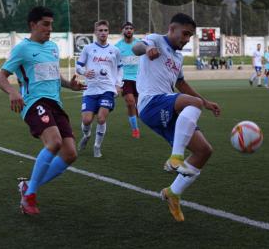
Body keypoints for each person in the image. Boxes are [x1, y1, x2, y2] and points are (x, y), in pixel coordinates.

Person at [0, 6, 86, 215]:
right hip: (34, 103)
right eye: (45, 24)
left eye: (51, 25)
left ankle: (28, 186)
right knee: (54, 142)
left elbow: (54, 76)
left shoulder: (53, 48)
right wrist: (11, 92)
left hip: (55, 104)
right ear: (33, 25)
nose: (50, 29)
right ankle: (29, 196)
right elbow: (0, 78)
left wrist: (69, 85)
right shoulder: (22, 49)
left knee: (70, 154)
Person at [133, 13, 221, 222]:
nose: (187, 39)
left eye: (190, 36)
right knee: (193, 103)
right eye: (185, 34)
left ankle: (172, 193)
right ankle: (176, 158)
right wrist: (147, 49)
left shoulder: (178, 58)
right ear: (172, 29)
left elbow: (181, 85)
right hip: (151, 102)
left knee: (203, 151)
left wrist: (205, 102)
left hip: (168, 107)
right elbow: (136, 47)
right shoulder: (155, 39)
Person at [76, 20, 123, 157]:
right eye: (100, 30)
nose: (103, 33)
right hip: (90, 89)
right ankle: (87, 135)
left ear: (108, 32)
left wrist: (119, 84)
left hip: (107, 89)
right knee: (87, 120)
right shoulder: (88, 48)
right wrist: (84, 72)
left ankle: (97, 146)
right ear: (95, 32)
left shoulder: (115, 50)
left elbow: (120, 69)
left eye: (105, 30)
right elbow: (78, 66)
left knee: (101, 118)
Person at [115, 22, 141, 139]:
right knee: (130, 103)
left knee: (138, 108)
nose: (129, 30)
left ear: (133, 31)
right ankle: (135, 130)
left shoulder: (139, 44)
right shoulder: (117, 47)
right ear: (123, 31)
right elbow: (114, 65)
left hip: (140, 79)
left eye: (131, 28)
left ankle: (136, 119)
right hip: (125, 79)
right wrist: (116, 83)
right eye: (126, 28)